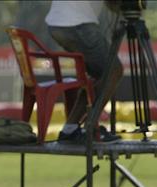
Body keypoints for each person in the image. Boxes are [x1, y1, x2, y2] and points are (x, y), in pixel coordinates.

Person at [46, 0, 123, 143]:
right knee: (114, 71)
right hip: (76, 24)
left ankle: (70, 129)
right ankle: (91, 129)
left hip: (58, 25)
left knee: (96, 79)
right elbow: (113, 4)